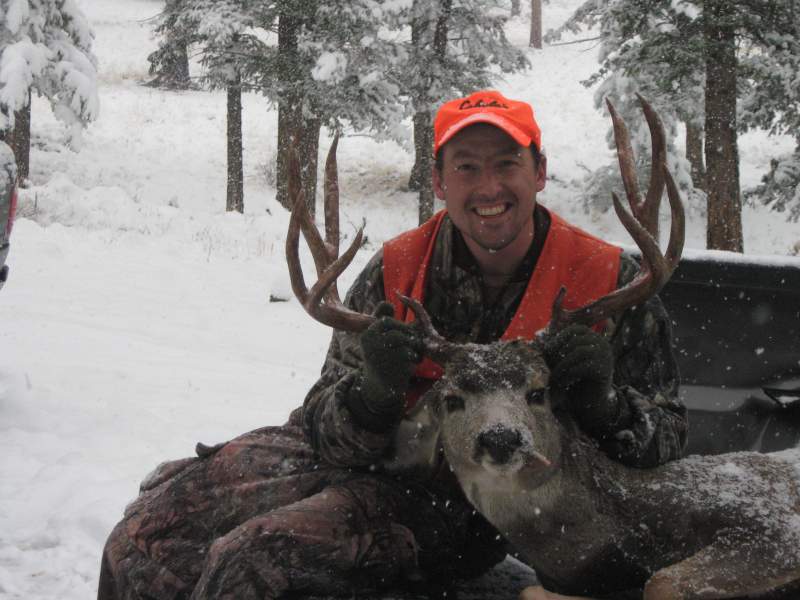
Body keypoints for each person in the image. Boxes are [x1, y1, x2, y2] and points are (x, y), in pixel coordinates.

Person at [97, 90, 686, 600]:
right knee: (146, 539)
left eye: (507, 163)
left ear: (540, 170)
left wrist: (606, 404)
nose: (489, 187)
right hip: (373, 461)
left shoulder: (610, 281)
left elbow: (668, 442)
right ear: (437, 180)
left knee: (251, 556)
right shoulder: (398, 267)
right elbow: (322, 424)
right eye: (466, 167)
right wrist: (372, 394)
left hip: (479, 506)